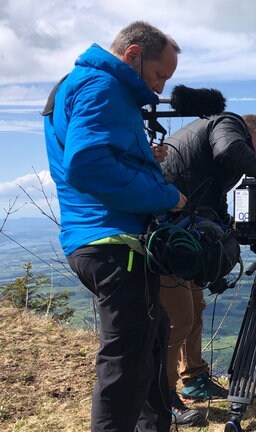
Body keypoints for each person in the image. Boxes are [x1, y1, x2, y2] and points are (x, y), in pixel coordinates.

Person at [42, 21, 186, 432]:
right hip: (112, 241)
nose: (159, 89)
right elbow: (89, 166)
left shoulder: (85, 84)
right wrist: (167, 197)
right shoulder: (102, 88)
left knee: (152, 336)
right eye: (160, 75)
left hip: (97, 238)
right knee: (126, 363)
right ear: (134, 54)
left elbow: (97, 156)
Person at [158, 113, 256, 424]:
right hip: (164, 233)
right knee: (178, 319)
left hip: (182, 233)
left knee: (195, 307)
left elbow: (216, 207)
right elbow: (230, 149)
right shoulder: (227, 125)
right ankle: (162, 398)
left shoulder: (215, 157)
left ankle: (193, 377)